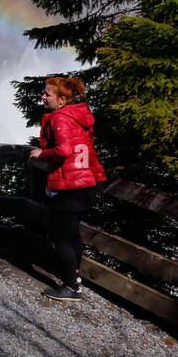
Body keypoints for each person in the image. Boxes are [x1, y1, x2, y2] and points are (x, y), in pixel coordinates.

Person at [29, 76, 106, 301]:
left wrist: (41, 154)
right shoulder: (78, 116)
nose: (43, 97)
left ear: (62, 100)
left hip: (69, 186)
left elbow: (63, 150)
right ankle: (74, 277)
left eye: (47, 94)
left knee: (60, 235)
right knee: (72, 233)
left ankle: (71, 287)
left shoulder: (60, 118)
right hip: (85, 184)